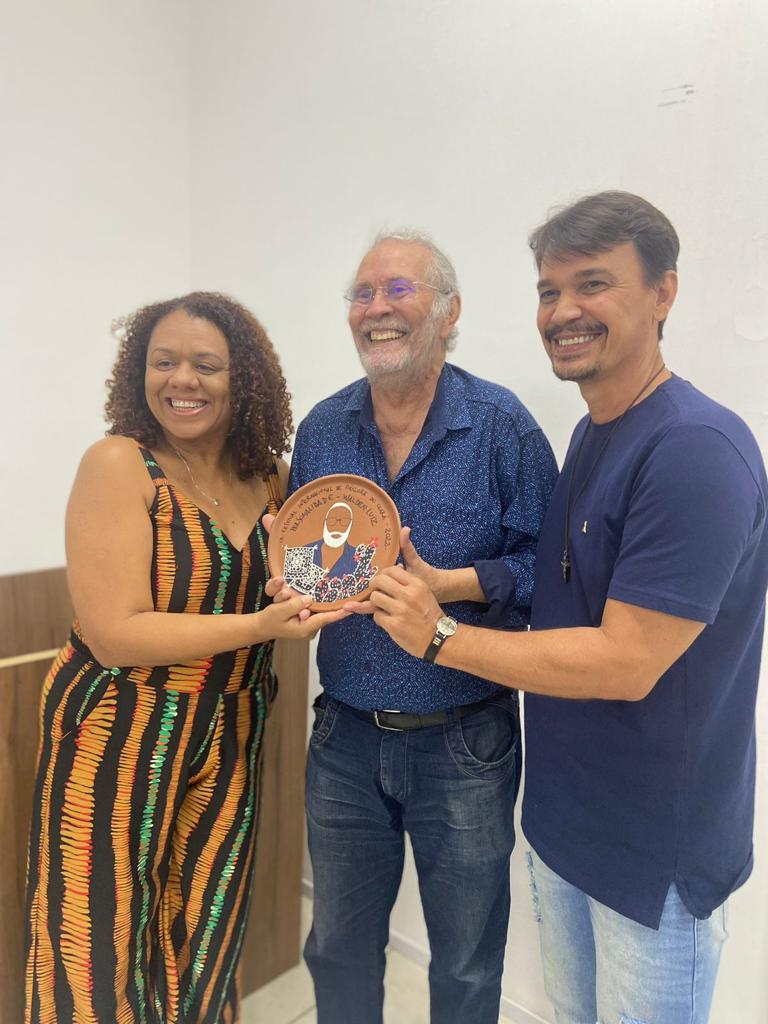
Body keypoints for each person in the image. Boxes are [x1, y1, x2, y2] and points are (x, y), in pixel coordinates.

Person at [360, 193, 768, 1024]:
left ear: (663, 293)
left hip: (653, 860)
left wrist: (437, 638)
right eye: (549, 291)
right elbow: (561, 591)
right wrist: (449, 584)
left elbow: (624, 661)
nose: (564, 311)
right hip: (564, 829)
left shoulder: (695, 449)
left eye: (593, 284)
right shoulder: (591, 434)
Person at [24, 292, 343, 1024]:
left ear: (244, 378)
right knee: (97, 936)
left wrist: (333, 588)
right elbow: (114, 634)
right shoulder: (119, 464)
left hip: (232, 724)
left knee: (207, 925)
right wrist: (261, 624)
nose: (181, 380)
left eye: (206, 364)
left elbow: (312, 575)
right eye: (162, 362)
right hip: (116, 726)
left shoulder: (273, 478)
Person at [279, 229, 557, 1023]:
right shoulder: (323, 429)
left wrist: (452, 586)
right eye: (363, 293)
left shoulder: (502, 427)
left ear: (449, 311)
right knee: (337, 951)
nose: (377, 308)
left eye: (398, 289)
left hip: (466, 742)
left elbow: (553, 576)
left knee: (466, 965)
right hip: (344, 738)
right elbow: (306, 559)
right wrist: (294, 591)